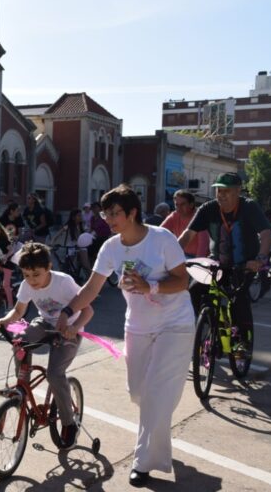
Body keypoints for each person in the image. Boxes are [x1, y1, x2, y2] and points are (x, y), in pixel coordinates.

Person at [58, 184, 195, 486]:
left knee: (156, 395)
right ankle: (156, 426)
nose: (108, 219)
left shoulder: (162, 239)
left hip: (175, 323)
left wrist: (152, 287)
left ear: (132, 212)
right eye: (106, 214)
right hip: (138, 326)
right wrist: (68, 312)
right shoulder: (111, 247)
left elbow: (183, 280)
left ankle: (143, 462)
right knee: (138, 393)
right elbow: (91, 288)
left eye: (115, 214)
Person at [0, 241, 93, 448]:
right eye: (27, 275)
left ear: (49, 267)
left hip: (69, 327)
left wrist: (75, 328)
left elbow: (88, 311)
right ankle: (22, 387)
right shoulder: (26, 285)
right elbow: (19, 311)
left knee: (54, 374)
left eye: (36, 274)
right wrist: (6, 320)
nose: (32, 281)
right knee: (20, 341)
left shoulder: (64, 282)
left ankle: (68, 423)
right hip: (45, 322)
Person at [178, 172, 271, 355]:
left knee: (237, 298)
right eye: (218, 190)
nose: (221, 194)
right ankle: (206, 325)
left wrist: (260, 258)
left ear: (238, 191)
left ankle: (242, 341)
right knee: (194, 290)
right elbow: (188, 235)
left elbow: (266, 234)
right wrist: (171, 256)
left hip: (245, 264)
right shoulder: (208, 209)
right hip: (217, 263)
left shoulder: (249, 207)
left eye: (226, 191)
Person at [160, 190, 209, 258]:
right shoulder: (174, 215)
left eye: (182, 204)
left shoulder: (200, 216)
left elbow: (203, 245)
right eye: (176, 204)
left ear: (191, 205)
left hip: (195, 257)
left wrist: (197, 263)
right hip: (180, 254)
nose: (178, 208)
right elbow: (160, 232)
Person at [51, 209, 92, 275]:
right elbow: (58, 234)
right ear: (73, 217)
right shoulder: (68, 226)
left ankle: (91, 277)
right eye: (78, 216)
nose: (80, 217)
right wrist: (52, 242)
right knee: (68, 264)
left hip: (81, 247)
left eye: (81, 215)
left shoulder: (82, 226)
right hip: (72, 246)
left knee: (85, 265)